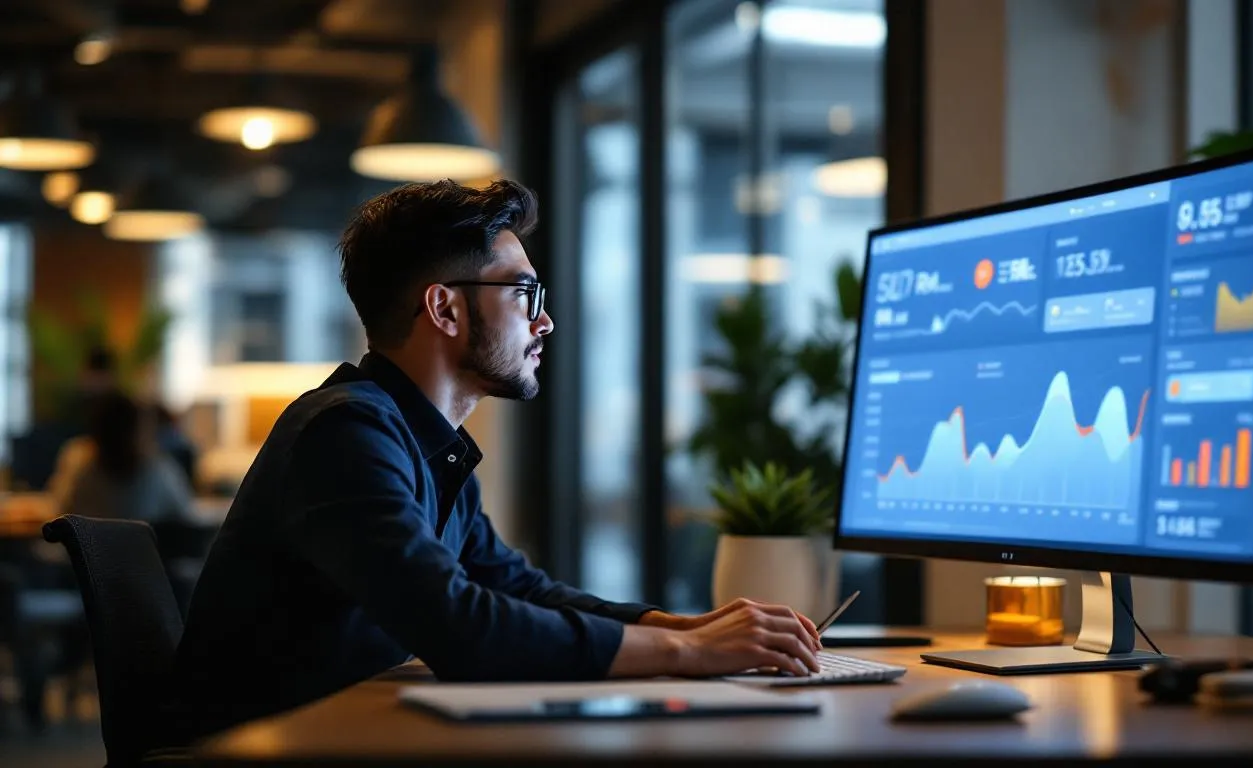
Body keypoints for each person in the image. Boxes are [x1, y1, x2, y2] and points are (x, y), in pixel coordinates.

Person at [161, 180, 822, 749]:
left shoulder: (423, 443)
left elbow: (515, 589)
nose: (547, 322)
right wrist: (690, 654)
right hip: (254, 752)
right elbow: (461, 627)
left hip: (329, 735)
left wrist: (685, 626)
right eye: (525, 294)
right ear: (444, 307)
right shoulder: (342, 433)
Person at [52, 391, 195, 524]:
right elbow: (185, 519)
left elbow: (61, 512)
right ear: (138, 432)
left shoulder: (82, 474)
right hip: (148, 551)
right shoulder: (160, 474)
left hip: (95, 550)